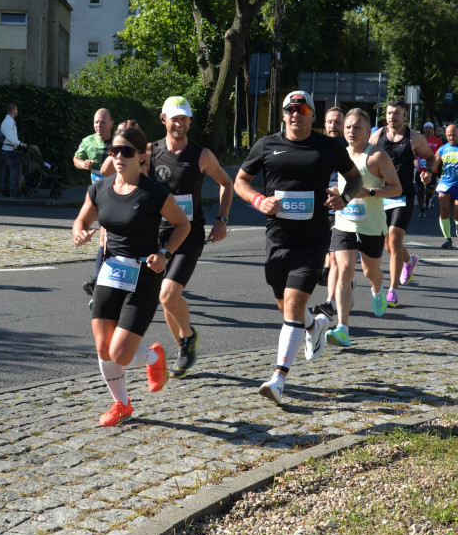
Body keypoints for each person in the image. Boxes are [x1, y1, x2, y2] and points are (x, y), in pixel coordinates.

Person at [233, 90, 361, 404]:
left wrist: (343, 199)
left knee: (292, 304)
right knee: (286, 307)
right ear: (283, 114)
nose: (296, 114)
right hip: (277, 239)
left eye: (302, 109)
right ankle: (315, 326)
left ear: (311, 115)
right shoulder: (266, 145)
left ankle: (278, 378)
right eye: (290, 109)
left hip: (313, 239)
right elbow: (240, 181)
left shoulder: (329, 147)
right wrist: (259, 200)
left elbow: (354, 178)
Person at [72, 124, 190, 426]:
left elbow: (182, 225)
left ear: (141, 157)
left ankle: (154, 357)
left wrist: (164, 254)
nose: (119, 156)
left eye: (126, 151)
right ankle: (122, 404)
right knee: (103, 348)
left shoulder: (154, 193)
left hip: (144, 274)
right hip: (111, 271)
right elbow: (82, 219)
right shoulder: (100, 187)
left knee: (121, 353)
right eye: (115, 151)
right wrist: (80, 233)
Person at [147, 96, 233, 378]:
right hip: (157, 235)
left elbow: (226, 183)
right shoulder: (150, 153)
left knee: (168, 294)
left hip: (189, 235)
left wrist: (221, 219)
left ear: (189, 122)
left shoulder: (201, 155)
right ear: (164, 119)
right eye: (175, 118)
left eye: (184, 119)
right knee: (165, 300)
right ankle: (185, 345)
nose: (180, 124)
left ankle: (187, 339)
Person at [327, 108, 402, 347]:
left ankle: (378, 289)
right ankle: (342, 329)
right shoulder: (340, 153)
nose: (351, 131)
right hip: (344, 222)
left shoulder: (377, 156)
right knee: (344, 269)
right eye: (348, 127)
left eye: (357, 127)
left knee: (371, 273)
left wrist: (368, 192)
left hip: (371, 225)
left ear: (368, 132)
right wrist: (335, 194)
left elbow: (396, 188)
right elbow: (341, 185)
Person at [368, 98, 435, 308]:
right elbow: (365, 157)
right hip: (381, 195)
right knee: (389, 246)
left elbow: (431, 158)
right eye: (389, 113)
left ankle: (393, 291)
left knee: (395, 241)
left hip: (403, 195)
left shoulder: (414, 138)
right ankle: (409, 261)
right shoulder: (377, 135)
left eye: (396, 113)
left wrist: (428, 172)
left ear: (405, 115)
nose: (392, 116)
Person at [73, 108, 114, 294]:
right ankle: (98, 280)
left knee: (106, 237)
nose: (99, 125)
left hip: (116, 193)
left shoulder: (118, 142)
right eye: (96, 122)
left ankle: (100, 280)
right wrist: (83, 164)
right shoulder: (88, 141)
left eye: (103, 122)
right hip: (96, 194)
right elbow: (76, 158)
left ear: (111, 124)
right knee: (103, 237)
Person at [313, 105, 347, 319]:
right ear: (324, 124)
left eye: (337, 122)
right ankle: (343, 282)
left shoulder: (350, 146)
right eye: (330, 122)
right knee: (328, 251)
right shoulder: (317, 146)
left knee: (335, 255)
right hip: (318, 206)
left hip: (344, 206)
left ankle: (330, 302)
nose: (333, 126)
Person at [0, 103, 27, 198]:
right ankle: (13, 192)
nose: (17, 111)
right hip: (9, 149)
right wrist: (20, 143)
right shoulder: (8, 121)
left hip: (8, 149)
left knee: (7, 171)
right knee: (13, 171)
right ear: (13, 110)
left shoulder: (9, 121)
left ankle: (5, 191)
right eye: (16, 109)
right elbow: (10, 137)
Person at [415, 121, 442, 217]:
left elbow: (441, 154)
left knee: (430, 191)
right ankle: (422, 209)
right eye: (426, 128)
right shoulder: (419, 139)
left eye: (430, 128)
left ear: (433, 129)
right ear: (423, 129)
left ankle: (428, 199)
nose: (428, 130)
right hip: (420, 169)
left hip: (432, 169)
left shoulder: (437, 140)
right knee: (420, 190)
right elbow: (414, 152)